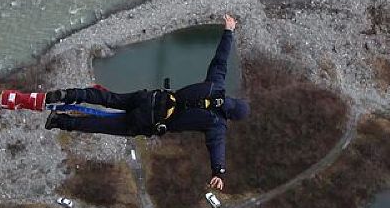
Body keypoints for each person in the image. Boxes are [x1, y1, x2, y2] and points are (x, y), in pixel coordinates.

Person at [45, 14, 249, 191]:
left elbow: (220, 59)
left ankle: (68, 94)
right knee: (101, 125)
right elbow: (217, 147)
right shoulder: (217, 126)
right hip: (148, 121)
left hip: (150, 98)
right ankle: (59, 121)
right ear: (231, 116)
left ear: (232, 100)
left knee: (109, 98)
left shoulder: (216, 85)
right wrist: (218, 173)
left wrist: (229, 31)